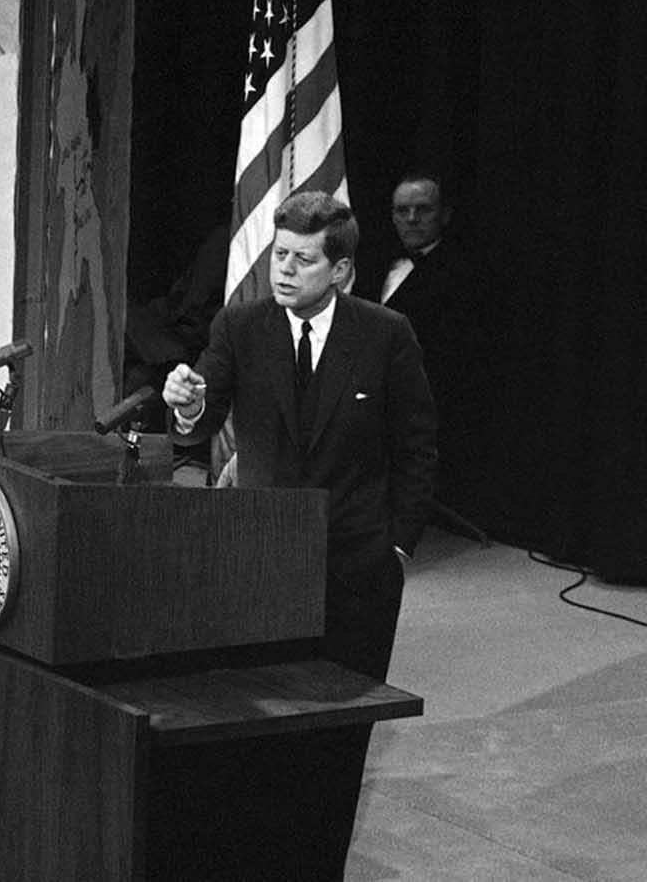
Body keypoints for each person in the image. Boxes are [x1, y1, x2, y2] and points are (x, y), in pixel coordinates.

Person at [162, 189, 437, 877]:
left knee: (337, 741)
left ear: (340, 269)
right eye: (279, 254)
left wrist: (397, 547)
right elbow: (197, 426)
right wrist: (188, 407)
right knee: (252, 732)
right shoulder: (242, 325)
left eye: (302, 259)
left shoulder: (385, 334)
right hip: (259, 571)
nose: (284, 269)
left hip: (355, 576)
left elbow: (418, 448)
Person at [355, 172, 483, 519]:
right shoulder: (371, 262)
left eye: (423, 209)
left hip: (425, 385)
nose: (411, 218)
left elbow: (457, 348)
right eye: (402, 210)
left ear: (445, 214)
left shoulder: (463, 272)